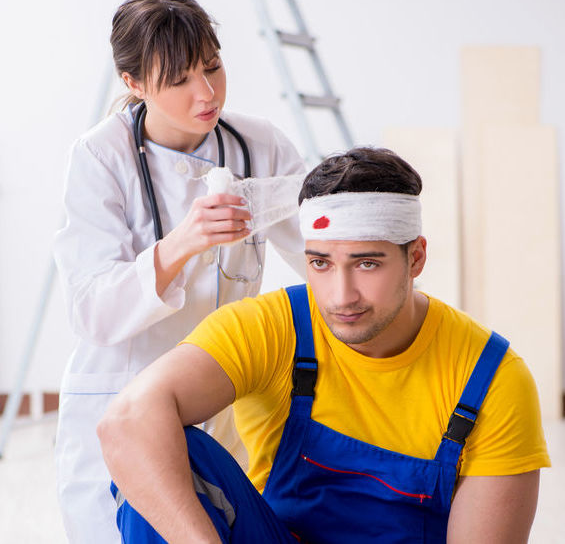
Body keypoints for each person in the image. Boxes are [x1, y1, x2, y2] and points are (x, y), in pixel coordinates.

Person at [98, 147, 550, 543]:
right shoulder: (274, 328)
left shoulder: (492, 380)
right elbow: (125, 423)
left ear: (415, 258)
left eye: (367, 263)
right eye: (320, 263)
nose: (341, 295)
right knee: (163, 453)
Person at [53, 0, 307, 543]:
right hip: (120, 394)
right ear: (134, 84)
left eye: (212, 67)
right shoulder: (100, 158)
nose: (206, 92)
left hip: (215, 398)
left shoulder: (257, 144)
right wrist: (181, 244)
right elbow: (92, 311)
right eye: (179, 80)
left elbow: (318, 237)